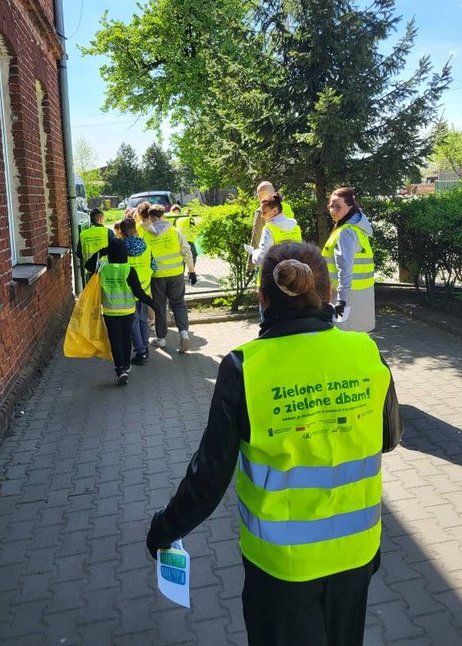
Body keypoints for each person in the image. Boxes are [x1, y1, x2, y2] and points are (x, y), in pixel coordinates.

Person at [146, 241, 403, 646]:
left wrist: (164, 529)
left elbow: (209, 476)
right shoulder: (365, 350)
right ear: (329, 293)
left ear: (262, 298)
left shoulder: (244, 367)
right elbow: (388, 438)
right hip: (357, 553)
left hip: (282, 565)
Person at [85, 239, 157, 386]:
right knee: (126, 338)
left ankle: (120, 369)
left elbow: (88, 265)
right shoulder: (129, 270)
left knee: (115, 340)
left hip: (110, 312)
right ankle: (127, 365)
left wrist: (103, 251)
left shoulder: (103, 268)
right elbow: (139, 293)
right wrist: (154, 305)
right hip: (128, 312)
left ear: (110, 254)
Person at [144, 205, 197, 352]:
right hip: (176, 275)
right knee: (179, 304)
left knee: (159, 306)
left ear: (150, 218)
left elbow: (144, 258)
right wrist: (192, 271)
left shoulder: (147, 236)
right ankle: (184, 334)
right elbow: (187, 251)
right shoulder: (175, 232)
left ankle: (161, 339)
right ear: (164, 216)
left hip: (157, 277)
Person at [322, 187, 375, 333]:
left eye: (338, 207)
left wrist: (341, 300)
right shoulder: (357, 229)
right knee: (359, 337)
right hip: (362, 295)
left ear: (350, 207)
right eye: (331, 206)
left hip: (345, 297)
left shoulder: (346, 232)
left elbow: (345, 269)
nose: (333, 210)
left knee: (342, 337)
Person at [119, 217, 154, 366]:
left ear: (122, 233)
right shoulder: (146, 244)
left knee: (133, 322)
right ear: (135, 229)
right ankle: (145, 345)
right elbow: (154, 266)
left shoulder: (121, 247)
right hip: (145, 288)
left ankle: (140, 351)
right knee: (143, 319)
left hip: (128, 290)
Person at [248, 181, 294, 273]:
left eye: (258, 195)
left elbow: (256, 239)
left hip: (269, 267)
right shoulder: (288, 210)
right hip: (291, 264)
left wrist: (250, 265)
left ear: (261, 195)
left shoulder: (263, 212)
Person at [76, 207, 116, 274]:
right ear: (100, 219)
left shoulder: (83, 234)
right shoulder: (108, 232)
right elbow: (116, 249)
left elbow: (79, 253)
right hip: (106, 269)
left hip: (90, 270)